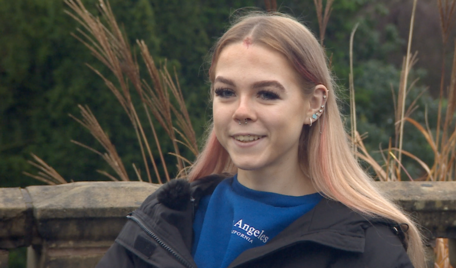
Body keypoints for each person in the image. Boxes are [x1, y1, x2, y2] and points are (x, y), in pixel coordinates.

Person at [96, 12, 426, 268]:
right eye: (226, 92)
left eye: (266, 94)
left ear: (314, 103)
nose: (241, 111)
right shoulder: (167, 215)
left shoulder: (366, 247)